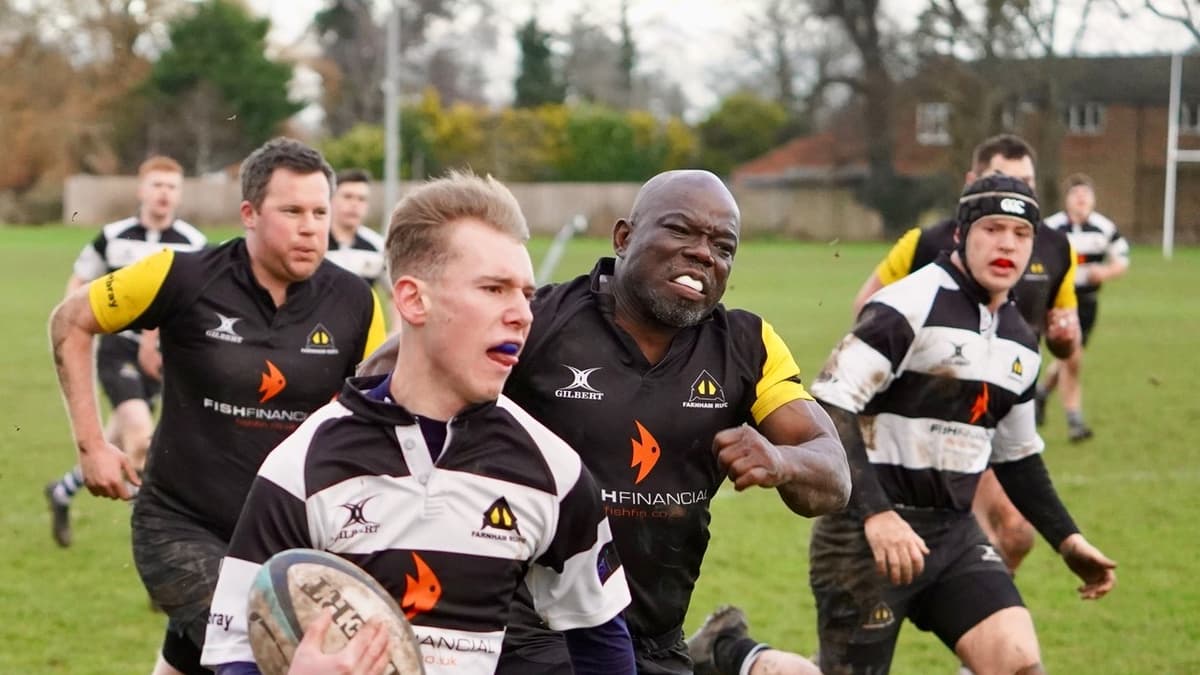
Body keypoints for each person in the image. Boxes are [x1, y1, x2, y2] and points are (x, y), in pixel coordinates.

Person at [359, 169, 851, 675]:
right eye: (681, 231)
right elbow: (392, 368)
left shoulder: (748, 346)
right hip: (531, 628)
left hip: (655, 635)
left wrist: (782, 461)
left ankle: (719, 654)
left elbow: (832, 476)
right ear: (624, 237)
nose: (704, 253)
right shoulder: (539, 318)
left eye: (723, 246)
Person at [201, 170, 636, 675]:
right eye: (494, 288)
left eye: (525, 293)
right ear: (412, 299)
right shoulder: (301, 466)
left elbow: (601, 642)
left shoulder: (553, 471)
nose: (521, 313)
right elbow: (235, 653)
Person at [48, 137, 387, 675]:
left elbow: (377, 419)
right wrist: (92, 445)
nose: (310, 226)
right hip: (180, 527)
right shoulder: (180, 276)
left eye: (320, 211)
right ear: (249, 214)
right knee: (269, 656)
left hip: (289, 539)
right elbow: (70, 321)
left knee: (189, 661)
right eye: (293, 210)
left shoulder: (355, 303)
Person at [807, 174, 1116, 674]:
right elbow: (828, 406)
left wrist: (1068, 539)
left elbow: (1017, 456)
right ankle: (738, 654)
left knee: (1019, 666)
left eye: (1020, 234)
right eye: (993, 228)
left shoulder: (1019, 340)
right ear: (960, 234)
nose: (1007, 245)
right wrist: (877, 517)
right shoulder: (907, 305)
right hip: (863, 538)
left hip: (953, 536)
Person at [853, 134, 1080, 576]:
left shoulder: (1054, 247)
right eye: (1004, 181)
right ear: (972, 181)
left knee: (1015, 533)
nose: (1016, 195)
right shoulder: (925, 242)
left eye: (1027, 183)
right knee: (978, 533)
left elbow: (1063, 341)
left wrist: (1064, 337)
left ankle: (976, 605)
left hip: (999, 406)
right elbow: (867, 309)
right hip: (927, 416)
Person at [44, 155, 207, 548]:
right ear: (141, 190)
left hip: (165, 357)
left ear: (179, 194)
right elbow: (80, 281)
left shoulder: (194, 243)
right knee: (141, 438)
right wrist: (75, 330)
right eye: (157, 185)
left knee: (113, 442)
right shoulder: (113, 236)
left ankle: (62, 493)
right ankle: (160, 546)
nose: (163, 194)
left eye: (171, 187)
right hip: (118, 350)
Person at [1038, 173, 1130, 442]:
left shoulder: (1104, 228)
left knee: (1068, 356)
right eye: (1076, 195)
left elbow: (1122, 260)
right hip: (1060, 303)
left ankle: (1042, 393)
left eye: (1085, 195)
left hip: (1088, 303)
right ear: (1067, 200)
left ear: (1093, 199)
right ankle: (1075, 421)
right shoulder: (1051, 228)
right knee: (1073, 358)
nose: (1081, 200)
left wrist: (1106, 272)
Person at [325, 168, 387, 287]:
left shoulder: (378, 246)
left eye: (361, 199)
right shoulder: (314, 241)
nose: (355, 204)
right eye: (348, 196)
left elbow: (394, 293)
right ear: (331, 199)